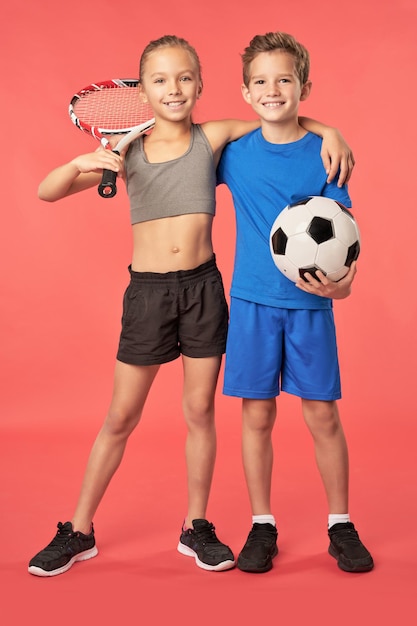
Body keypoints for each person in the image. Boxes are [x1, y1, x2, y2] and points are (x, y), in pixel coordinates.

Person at [28, 34, 354, 577]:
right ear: (143, 93)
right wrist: (81, 161)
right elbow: (47, 191)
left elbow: (277, 115)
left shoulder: (215, 137)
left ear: (200, 85)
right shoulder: (125, 150)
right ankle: (78, 530)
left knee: (200, 412)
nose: (173, 89)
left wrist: (331, 129)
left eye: (184, 78)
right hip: (148, 295)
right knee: (120, 416)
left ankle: (195, 526)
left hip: (203, 289)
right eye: (159, 80)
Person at [216, 31, 374, 574]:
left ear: (304, 85)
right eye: (260, 81)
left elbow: (346, 238)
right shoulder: (233, 155)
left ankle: (340, 524)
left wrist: (345, 287)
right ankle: (262, 523)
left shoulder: (326, 155)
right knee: (256, 415)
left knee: (322, 415)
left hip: (310, 309)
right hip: (252, 305)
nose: (272, 89)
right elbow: (186, 143)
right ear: (245, 92)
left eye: (285, 79)